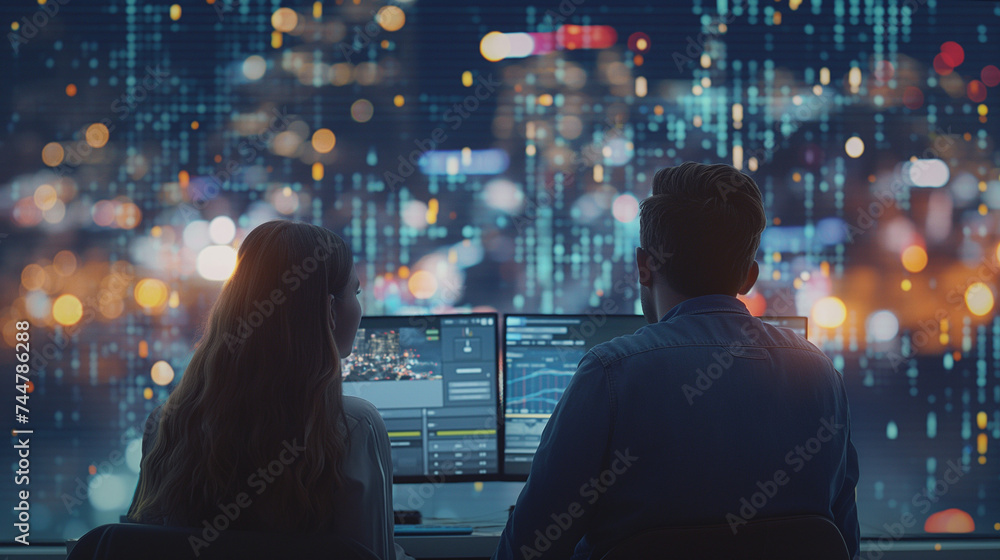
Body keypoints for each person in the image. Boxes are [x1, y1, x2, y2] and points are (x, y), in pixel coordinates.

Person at [493, 162, 860, 559]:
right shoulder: (820, 374)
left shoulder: (610, 374)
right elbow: (844, 544)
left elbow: (527, 550)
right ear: (749, 277)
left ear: (644, 266)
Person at [127, 220, 412, 560]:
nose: (359, 307)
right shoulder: (353, 427)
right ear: (330, 310)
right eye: (357, 293)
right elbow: (374, 555)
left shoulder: (167, 424)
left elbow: (143, 544)